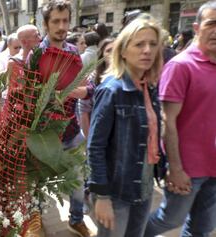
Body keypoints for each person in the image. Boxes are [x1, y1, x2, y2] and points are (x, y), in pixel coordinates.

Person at [144, 1, 216, 236]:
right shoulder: (180, 65)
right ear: (196, 27)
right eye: (211, 24)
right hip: (187, 168)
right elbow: (167, 120)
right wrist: (175, 167)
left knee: (202, 228)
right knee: (168, 220)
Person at [87, 16, 162, 236]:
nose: (147, 50)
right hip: (116, 191)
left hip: (143, 187)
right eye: (139, 44)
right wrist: (101, 196)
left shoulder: (149, 87)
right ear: (123, 50)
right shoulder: (112, 90)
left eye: (152, 44)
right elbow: (95, 147)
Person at [40, 1, 90, 236]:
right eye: (56, 21)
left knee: (78, 183)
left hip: (71, 132)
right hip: (43, 137)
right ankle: (34, 222)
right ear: (46, 24)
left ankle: (76, 219)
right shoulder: (36, 55)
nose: (62, 26)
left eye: (65, 21)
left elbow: (85, 86)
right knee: (37, 186)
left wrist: (83, 91)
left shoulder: (73, 52)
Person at [79, 37, 115, 138]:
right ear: (102, 54)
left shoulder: (127, 76)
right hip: (98, 134)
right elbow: (83, 110)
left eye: (116, 50)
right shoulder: (94, 77)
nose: (113, 54)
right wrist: (88, 139)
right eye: (108, 51)